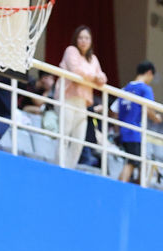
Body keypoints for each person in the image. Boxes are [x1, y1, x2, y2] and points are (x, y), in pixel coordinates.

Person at [57, 26, 107, 168]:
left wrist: (98, 77)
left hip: (83, 102)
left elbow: (102, 77)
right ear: (76, 39)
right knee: (64, 135)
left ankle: (69, 168)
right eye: (80, 38)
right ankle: (59, 166)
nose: (83, 41)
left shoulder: (93, 58)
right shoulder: (71, 51)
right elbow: (76, 71)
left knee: (78, 140)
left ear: (91, 41)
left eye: (86, 38)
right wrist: (94, 77)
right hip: (67, 97)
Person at [114, 61, 162, 184]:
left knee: (136, 161)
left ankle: (126, 186)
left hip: (123, 130)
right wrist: (155, 117)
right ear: (149, 73)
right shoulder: (144, 89)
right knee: (132, 162)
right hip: (134, 131)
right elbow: (149, 109)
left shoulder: (125, 88)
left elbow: (114, 110)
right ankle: (119, 187)